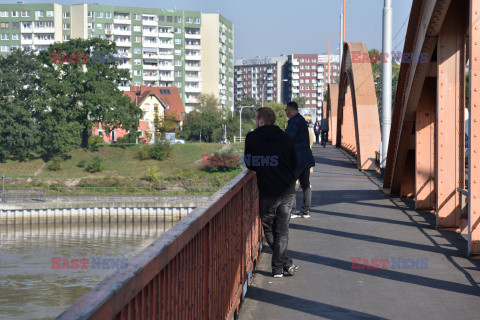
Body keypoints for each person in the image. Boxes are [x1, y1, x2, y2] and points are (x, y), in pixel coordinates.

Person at [244, 107, 299, 278]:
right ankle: (281, 267)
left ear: (261, 120)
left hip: (268, 191)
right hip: (287, 190)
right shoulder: (285, 138)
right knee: (282, 230)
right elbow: (294, 163)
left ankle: (282, 266)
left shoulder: (252, 137)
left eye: (256, 119)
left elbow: (250, 164)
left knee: (268, 229)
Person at [285, 101, 315, 219]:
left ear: (289, 110)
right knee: (305, 185)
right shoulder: (302, 120)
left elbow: (287, 139)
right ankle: (305, 211)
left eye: (286, 110)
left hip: (297, 159)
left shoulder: (294, 121)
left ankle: (292, 211)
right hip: (306, 158)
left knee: (290, 184)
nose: (286, 112)